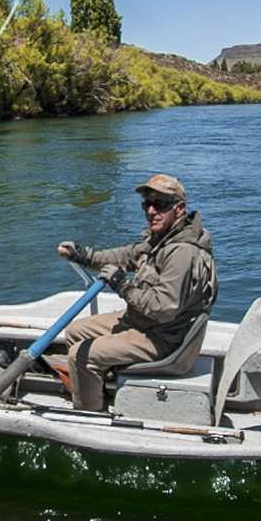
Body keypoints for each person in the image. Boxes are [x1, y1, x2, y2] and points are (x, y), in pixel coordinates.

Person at [52, 174, 218, 412]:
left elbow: (163, 309)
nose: (151, 211)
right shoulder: (163, 238)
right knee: (75, 331)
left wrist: (122, 285)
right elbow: (127, 255)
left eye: (160, 204)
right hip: (144, 323)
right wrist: (85, 256)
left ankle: (88, 414)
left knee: (81, 354)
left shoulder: (182, 252)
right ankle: (99, 389)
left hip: (165, 339)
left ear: (179, 209)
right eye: (146, 204)